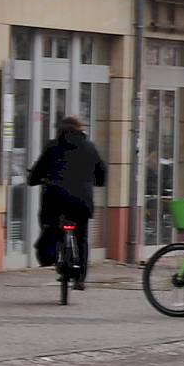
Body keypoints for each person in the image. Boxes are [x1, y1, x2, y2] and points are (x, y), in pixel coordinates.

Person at [28, 116, 107, 288]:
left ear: (61, 130)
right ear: (80, 130)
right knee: (81, 237)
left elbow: (38, 169)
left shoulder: (53, 146)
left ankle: (51, 254)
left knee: (49, 224)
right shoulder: (90, 147)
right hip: (81, 201)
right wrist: (97, 182)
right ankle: (80, 278)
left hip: (55, 198)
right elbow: (101, 173)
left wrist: (33, 179)